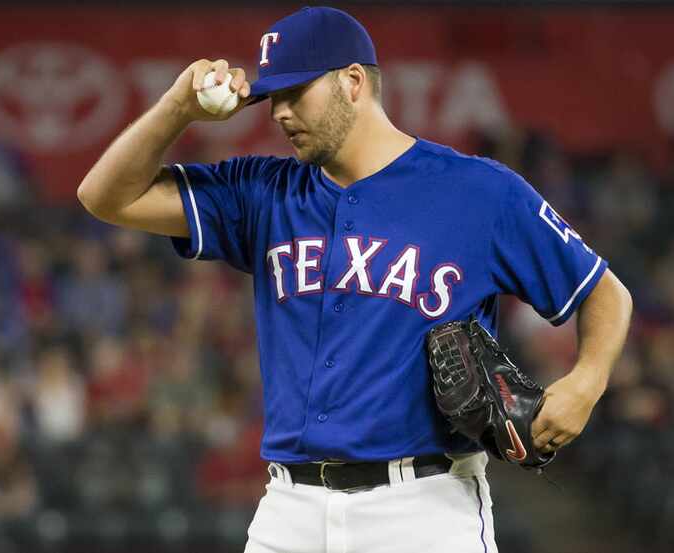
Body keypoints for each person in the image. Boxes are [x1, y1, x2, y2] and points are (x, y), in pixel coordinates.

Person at [77, 6, 633, 552]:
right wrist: (177, 106)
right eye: (273, 98)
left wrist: (586, 381)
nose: (279, 113)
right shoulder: (263, 192)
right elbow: (103, 197)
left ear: (352, 81)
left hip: (423, 507)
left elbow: (604, 293)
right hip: (288, 511)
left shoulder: (480, 193)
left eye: (296, 93)